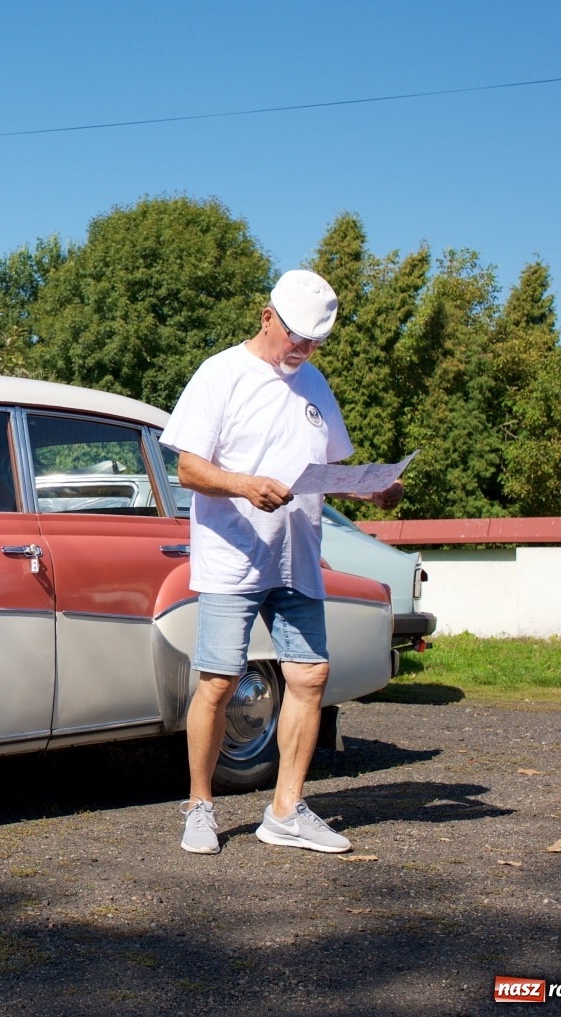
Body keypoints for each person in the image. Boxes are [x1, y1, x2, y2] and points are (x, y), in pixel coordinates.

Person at [159, 269, 404, 856]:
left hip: (298, 556)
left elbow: (327, 469)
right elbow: (187, 469)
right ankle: (200, 805)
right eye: (296, 336)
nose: (304, 349)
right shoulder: (221, 373)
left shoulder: (314, 383)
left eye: (315, 342)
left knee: (310, 676)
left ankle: (286, 812)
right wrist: (244, 485)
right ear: (267, 316)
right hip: (233, 556)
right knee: (219, 680)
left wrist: (371, 489)